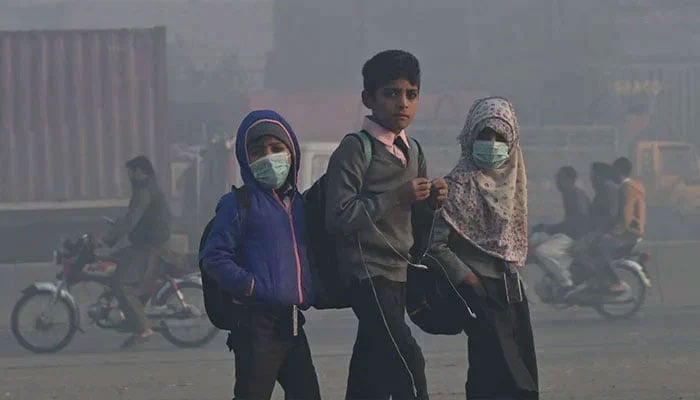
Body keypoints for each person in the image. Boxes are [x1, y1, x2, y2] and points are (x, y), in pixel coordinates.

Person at [325, 49, 447, 399]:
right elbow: (338, 217)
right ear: (369, 98)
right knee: (407, 355)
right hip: (366, 271)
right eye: (391, 93)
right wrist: (395, 195)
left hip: (398, 271)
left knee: (370, 363)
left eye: (411, 94)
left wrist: (433, 200)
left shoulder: (414, 149)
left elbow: (417, 214)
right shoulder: (355, 149)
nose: (402, 103)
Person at [199, 110, 320, 400]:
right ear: (245, 160)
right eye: (257, 152)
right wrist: (249, 285)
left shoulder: (300, 206)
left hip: (292, 323)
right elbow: (213, 257)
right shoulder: (237, 204)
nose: (268, 157)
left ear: (292, 154)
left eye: (276, 149)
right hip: (256, 326)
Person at [427, 97, 539, 399]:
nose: (491, 144)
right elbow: (435, 246)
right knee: (492, 374)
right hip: (480, 293)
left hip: (511, 290)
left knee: (522, 369)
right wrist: (470, 280)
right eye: (484, 136)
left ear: (512, 141)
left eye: (499, 137)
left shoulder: (514, 183)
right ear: (469, 138)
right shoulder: (456, 186)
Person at [100, 156, 172, 348]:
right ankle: (132, 318)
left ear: (141, 172)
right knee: (116, 261)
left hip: (148, 246)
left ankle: (143, 328)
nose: (130, 176)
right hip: (145, 242)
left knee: (120, 283)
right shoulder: (147, 188)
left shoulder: (144, 191)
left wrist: (108, 239)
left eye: (132, 172)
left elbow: (132, 219)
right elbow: (131, 219)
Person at [531, 166, 591, 288]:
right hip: (568, 233)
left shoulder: (575, 195)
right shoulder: (569, 194)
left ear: (570, 180)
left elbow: (576, 222)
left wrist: (549, 229)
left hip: (574, 236)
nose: (557, 181)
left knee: (542, 251)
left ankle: (565, 280)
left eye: (560, 177)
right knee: (535, 240)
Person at [571, 162, 624, 293]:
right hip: (598, 230)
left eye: (593, 176)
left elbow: (612, 214)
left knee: (585, 250)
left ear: (600, 176)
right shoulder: (602, 190)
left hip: (606, 233)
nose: (592, 179)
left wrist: (605, 232)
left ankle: (614, 281)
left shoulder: (608, 189)